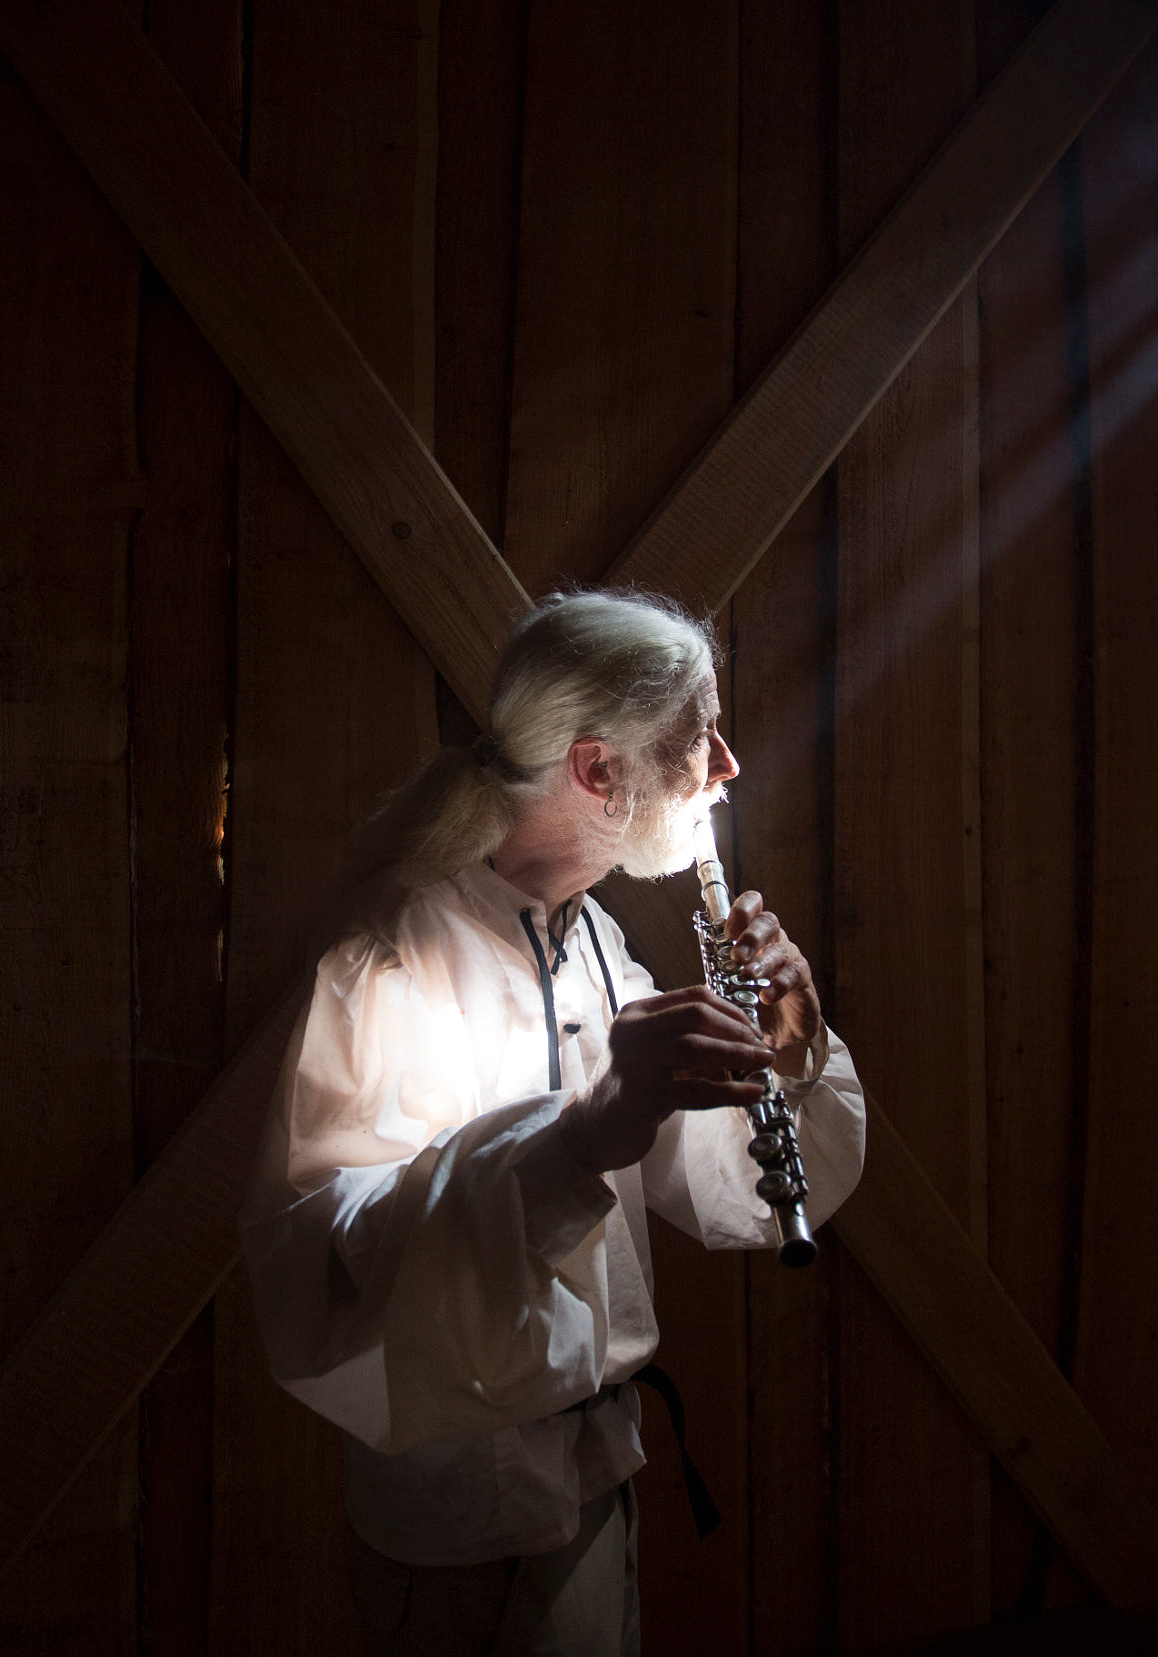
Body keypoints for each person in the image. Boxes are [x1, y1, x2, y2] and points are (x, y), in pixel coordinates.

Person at [240, 588, 866, 1657]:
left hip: (592, 1481)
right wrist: (582, 1133)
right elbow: (340, 1263)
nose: (726, 764)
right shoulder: (394, 951)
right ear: (596, 770)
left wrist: (789, 1050)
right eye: (696, 735)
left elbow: (729, 1190)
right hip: (461, 1525)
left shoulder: (593, 942)